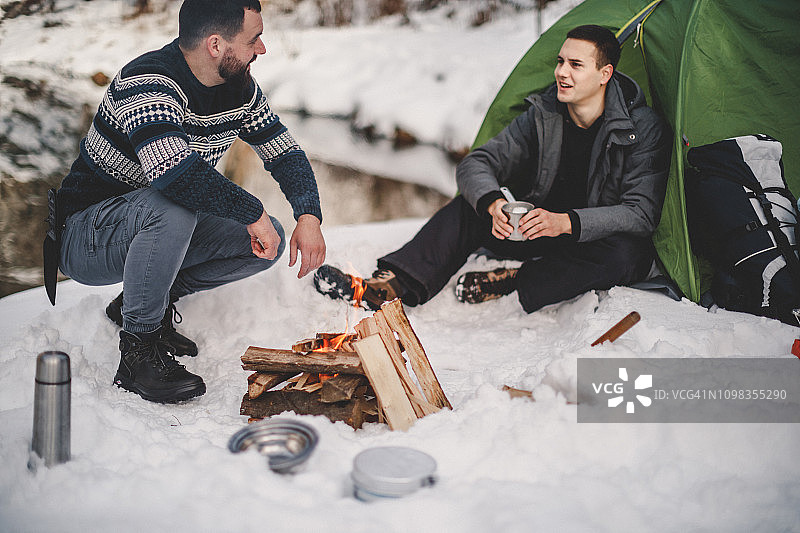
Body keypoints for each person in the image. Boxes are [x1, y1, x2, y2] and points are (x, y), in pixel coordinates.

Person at [50, 0, 326, 403]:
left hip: (153, 225)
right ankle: (137, 354)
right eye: (254, 39)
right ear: (216, 45)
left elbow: (284, 152)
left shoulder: (239, 88)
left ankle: (144, 303)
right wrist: (253, 211)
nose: (262, 49)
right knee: (174, 202)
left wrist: (309, 215)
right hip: (84, 237)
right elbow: (174, 174)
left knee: (268, 243)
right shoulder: (148, 80)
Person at [314, 24, 669, 314]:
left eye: (576, 65)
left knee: (627, 255)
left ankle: (517, 279)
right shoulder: (544, 115)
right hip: (532, 231)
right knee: (470, 207)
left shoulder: (641, 127)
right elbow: (478, 162)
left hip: (586, 243)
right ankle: (391, 286)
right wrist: (493, 203)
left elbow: (640, 213)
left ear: (605, 73)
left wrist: (567, 222)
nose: (561, 72)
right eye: (561, 61)